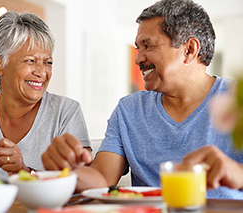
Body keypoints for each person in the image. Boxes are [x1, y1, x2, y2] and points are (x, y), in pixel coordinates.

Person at [41, 0, 243, 199]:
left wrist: (238, 174)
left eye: (148, 46)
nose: (138, 58)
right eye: (138, 48)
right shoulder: (129, 111)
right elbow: (102, 178)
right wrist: (70, 172)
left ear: (189, 50)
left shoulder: (237, 101)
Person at [0, 11, 92, 181]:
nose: (41, 72)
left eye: (48, 62)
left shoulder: (66, 112)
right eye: (30, 60)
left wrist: (25, 172)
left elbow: (86, 182)